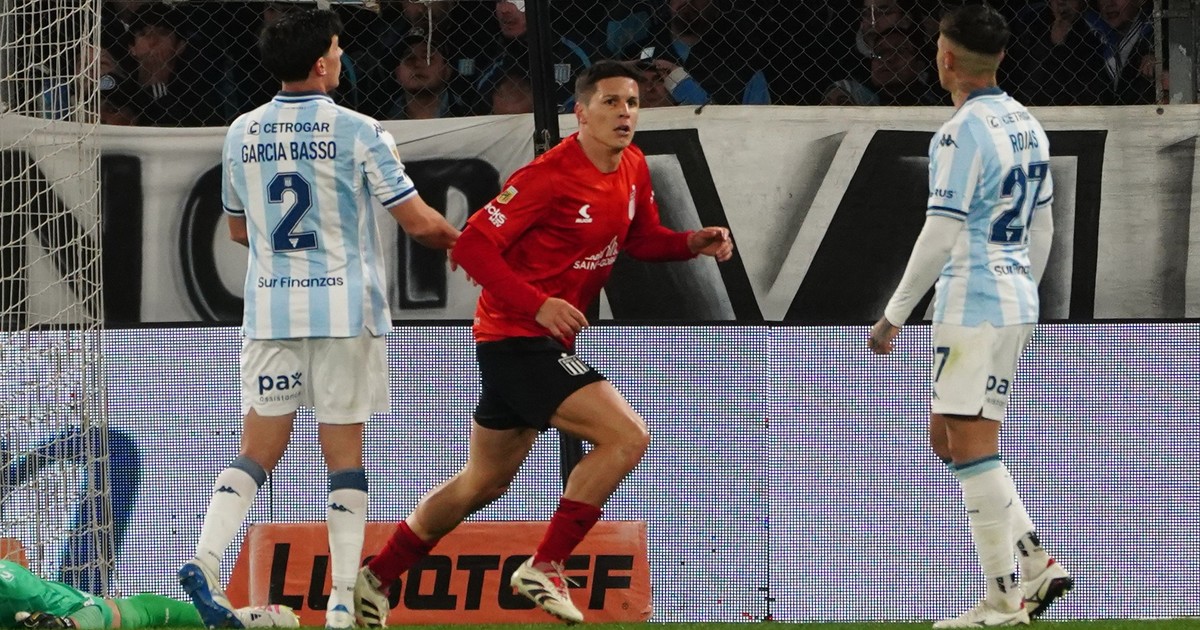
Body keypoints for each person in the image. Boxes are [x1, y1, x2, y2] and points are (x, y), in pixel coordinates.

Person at [352, 59, 734, 626]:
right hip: (516, 337)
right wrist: (538, 304)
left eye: (631, 102)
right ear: (581, 113)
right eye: (610, 101)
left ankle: (376, 578)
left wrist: (689, 243)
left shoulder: (632, 165)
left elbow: (640, 239)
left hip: (535, 340)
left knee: (483, 482)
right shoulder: (550, 176)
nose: (625, 113)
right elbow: (472, 246)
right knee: (626, 437)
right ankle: (545, 566)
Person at [175, 9, 459, 630]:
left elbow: (237, 230)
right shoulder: (359, 130)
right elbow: (418, 221)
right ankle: (342, 600)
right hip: (343, 312)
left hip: (270, 311)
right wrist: (468, 245)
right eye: (335, 48)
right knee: (344, 458)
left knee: (256, 452)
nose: (339, 56)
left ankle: (206, 557)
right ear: (321, 63)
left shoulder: (241, 131)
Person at [868, 5, 1071, 628]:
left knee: (973, 445)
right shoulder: (1028, 123)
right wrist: (1022, 291)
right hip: (1013, 300)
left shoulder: (959, 134)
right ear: (1000, 57)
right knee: (948, 439)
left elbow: (940, 232)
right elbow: (1043, 226)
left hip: (973, 300)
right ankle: (1035, 562)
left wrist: (893, 315)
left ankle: (1004, 600)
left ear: (946, 57)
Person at [0, 559, 297, 629]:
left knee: (214, 620)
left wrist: (68, 625)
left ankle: (250, 617)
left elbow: (97, 612)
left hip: (118, 613)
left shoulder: (18, 589)